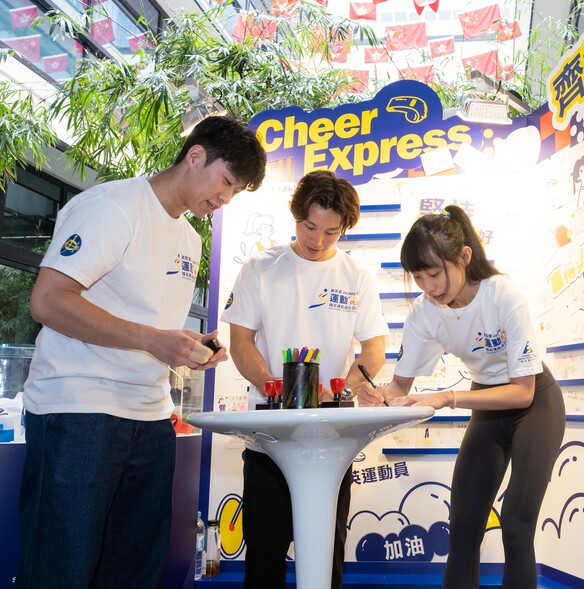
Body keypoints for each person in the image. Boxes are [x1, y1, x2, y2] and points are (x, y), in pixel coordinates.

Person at [17, 114, 267, 588]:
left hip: (150, 417)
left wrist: (189, 347)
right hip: (79, 411)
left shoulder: (190, 238)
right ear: (196, 156)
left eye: (234, 193)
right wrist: (154, 340)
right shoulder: (114, 206)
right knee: (60, 567)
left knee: (135, 571)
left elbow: (150, 327)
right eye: (226, 182)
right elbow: (47, 301)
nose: (224, 199)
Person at [356, 205, 566, 589]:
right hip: (488, 405)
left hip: (536, 403)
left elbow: (522, 392)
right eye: (418, 277)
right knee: (464, 524)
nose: (429, 286)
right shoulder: (424, 312)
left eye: (435, 273)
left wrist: (446, 398)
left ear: (464, 257)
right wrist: (377, 395)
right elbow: (399, 387)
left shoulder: (503, 295)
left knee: (517, 524)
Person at [221, 170, 388, 589]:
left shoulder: (356, 276)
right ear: (295, 216)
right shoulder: (261, 267)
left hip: (331, 439)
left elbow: (373, 349)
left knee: (326, 554)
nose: (317, 240)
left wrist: (345, 386)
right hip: (269, 436)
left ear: (344, 229)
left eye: (331, 232)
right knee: (264, 556)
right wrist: (271, 386)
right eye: (309, 227)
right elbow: (241, 341)